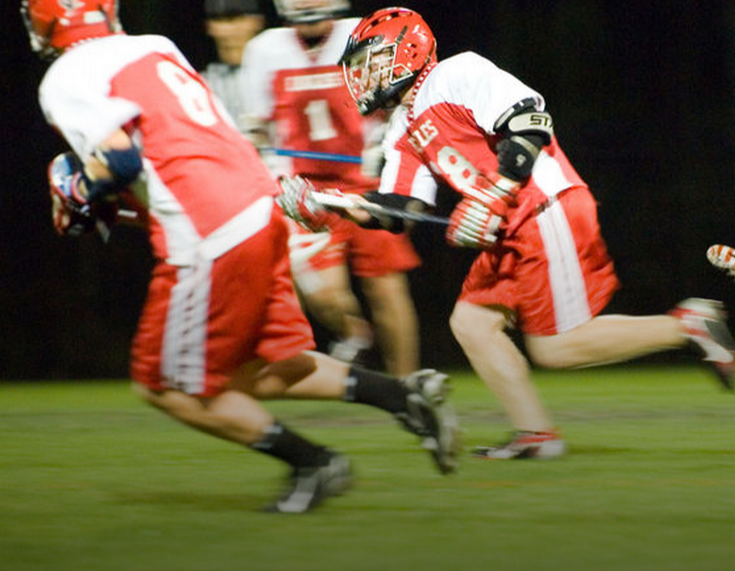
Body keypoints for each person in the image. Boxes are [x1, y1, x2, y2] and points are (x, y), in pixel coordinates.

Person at [23, 0, 458, 513]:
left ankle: (312, 462)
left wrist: (80, 190)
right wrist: (111, 203)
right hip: (258, 208)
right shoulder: (155, 48)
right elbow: (180, 156)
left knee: (165, 386)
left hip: (210, 232)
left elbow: (120, 159)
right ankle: (400, 396)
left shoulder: (66, 77)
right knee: (262, 368)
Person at [308, 6, 735, 459]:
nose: (363, 76)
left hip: (543, 205)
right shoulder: (401, 126)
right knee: (473, 323)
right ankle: (537, 434)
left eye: (372, 61)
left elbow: (530, 121)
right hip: (511, 223)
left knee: (555, 347)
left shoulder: (455, 73)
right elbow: (402, 210)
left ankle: (686, 327)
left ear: (407, 51)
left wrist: (494, 193)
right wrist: (332, 204)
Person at [239, 0, 422, 375]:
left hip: (365, 180)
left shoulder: (363, 36)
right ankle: (354, 334)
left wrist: (386, 150)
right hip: (305, 188)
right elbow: (257, 128)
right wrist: (271, 173)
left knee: (385, 287)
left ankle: (408, 386)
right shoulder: (265, 49)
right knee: (320, 292)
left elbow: (402, 103)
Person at [201, 0, 265, 123]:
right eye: (218, 20)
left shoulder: (277, 75)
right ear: (210, 27)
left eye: (235, 19)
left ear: (257, 21)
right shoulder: (201, 85)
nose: (226, 31)